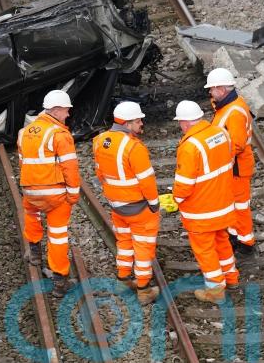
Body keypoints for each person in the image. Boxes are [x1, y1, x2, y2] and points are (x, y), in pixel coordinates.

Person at [92, 101, 160, 305]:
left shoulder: (100, 140)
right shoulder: (133, 147)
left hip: (117, 206)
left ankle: (123, 280)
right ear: (127, 123)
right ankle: (143, 289)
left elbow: (100, 173)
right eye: (138, 120)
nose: (141, 124)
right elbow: (147, 180)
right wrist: (154, 203)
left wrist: (114, 195)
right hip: (139, 208)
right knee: (143, 247)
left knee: (124, 243)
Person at [172, 100, 238, 303]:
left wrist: (175, 199)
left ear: (185, 122)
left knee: (205, 250)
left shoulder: (190, 146)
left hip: (202, 212)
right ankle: (231, 277)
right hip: (223, 205)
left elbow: (184, 184)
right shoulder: (221, 133)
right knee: (222, 241)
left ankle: (216, 289)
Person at [17, 89, 80, 297]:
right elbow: (70, 168)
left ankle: (34, 254)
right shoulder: (60, 135)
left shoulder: (25, 132)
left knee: (32, 216)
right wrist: (73, 194)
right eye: (66, 111)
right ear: (57, 110)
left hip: (30, 192)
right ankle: (60, 281)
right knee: (58, 235)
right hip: (54, 195)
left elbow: (22, 161)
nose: (68, 115)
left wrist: (29, 189)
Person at [205, 68, 256, 259]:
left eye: (212, 89)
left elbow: (237, 144)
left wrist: (215, 158)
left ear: (221, 89)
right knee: (234, 203)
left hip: (236, 167)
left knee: (240, 206)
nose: (210, 93)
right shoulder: (229, 105)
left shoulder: (233, 112)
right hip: (233, 166)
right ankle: (235, 235)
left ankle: (246, 243)